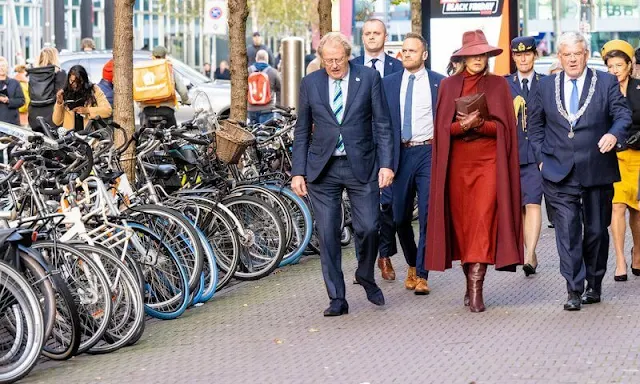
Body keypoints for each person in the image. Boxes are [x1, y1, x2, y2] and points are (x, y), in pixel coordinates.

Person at [291, 32, 394, 316]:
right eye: (328, 61)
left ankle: (365, 273)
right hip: (322, 169)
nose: (334, 66)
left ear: (348, 55)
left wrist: (387, 164)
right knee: (327, 234)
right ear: (321, 60)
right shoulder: (310, 83)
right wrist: (298, 171)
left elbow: (383, 124)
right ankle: (337, 298)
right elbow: (302, 130)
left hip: (361, 164)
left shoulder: (368, 79)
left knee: (369, 227)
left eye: (338, 59)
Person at [528, 32, 632, 311]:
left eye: (577, 54)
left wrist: (614, 135)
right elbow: (535, 125)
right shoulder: (546, 86)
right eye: (567, 54)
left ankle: (594, 284)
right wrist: (540, 157)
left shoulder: (606, 82)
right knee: (567, 231)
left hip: (597, 167)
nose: (572, 59)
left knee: (597, 231)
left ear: (586, 55)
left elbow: (623, 115)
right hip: (557, 171)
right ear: (559, 57)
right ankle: (573, 288)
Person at [426, 30, 523, 313]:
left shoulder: (497, 86)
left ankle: (477, 288)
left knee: (482, 222)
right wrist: (464, 126)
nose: (478, 59)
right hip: (457, 167)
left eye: (482, 54)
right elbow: (443, 130)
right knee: (464, 227)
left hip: (489, 166)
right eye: (473, 54)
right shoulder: (447, 85)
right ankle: (470, 282)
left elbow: (505, 130)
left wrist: (479, 124)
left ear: (488, 56)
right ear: (463, 57)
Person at [382, 33, 444, 294]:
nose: (406, 54)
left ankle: (422, 274)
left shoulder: (440, 83)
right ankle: (411, 261)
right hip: (400, 154)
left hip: (428, 152)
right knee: (398, 217)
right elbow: (382, 123)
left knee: (428, 215)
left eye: (412, 51)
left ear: (424, 55)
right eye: (404, 51)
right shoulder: (388, 84)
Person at [350, 18, 403, 282]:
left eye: (376, 33)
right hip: (358, 145)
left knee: (388, 204)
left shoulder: (398, 67)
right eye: (367, 33)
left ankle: (385, 253)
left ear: (385, 36)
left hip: (388, 142)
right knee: (364, 207)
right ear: (362, 38)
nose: (372, 37)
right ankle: (370, 260)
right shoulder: (351, 67)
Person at [599, 40, 640, 281]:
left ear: (629, 65)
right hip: (614, 158)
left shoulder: (639, 88)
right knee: (617, 206)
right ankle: (620, 260)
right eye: (610, 66)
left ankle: (637, 253)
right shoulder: (603, 90)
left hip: (638, 156)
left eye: (619, 65)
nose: (614, 70)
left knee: (637, 211)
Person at [506, 36, 545, 277]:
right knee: (518, 207)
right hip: (511, 154)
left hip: (538, 155)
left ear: (534, 56)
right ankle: (528, 247)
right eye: (518, 55)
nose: (523, 58)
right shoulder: (503, 84)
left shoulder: (546, 83)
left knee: (533, 202)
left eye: (528, 54)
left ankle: (529, 253)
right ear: (512, 57)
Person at [139, 46, 190, 129]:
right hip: (166, 110)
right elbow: (182, 90)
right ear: (165, 56)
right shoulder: (169, 70)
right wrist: (185, 100)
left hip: (147, 110)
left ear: (152, 56)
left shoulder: (145, 70)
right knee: (174, 136)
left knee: (145, 135)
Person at [52, 65, 111, 131]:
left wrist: (87, 110)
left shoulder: (93, 90)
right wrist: (59, 103)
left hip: (90, 136)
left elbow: (107, 110)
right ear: (68, 79)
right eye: (72, 81)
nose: (75, 85)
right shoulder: (64, 92)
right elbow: (57, 121)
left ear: (84, 80)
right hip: (71, 137)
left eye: (79, 82)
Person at [27, 47, 67, 131]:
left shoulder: (33, 74)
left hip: (34, 114)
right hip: (53, 114)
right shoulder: (59, 73)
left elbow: (30, 93)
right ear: (55, 57)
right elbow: (62, 94)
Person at [247, 50, 281, 125]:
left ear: (256, 58)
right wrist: (278, 105)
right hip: (267, 109)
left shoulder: (248, 71)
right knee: (266, 134)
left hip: (251, 109)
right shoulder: (273, 72)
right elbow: (280, 90)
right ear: (267, 59)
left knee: (252, 134)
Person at [0, 57, 25, 126]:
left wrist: (8, 101)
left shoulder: (15, 83)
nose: (1, 68)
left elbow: (22, 101)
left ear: (7, 68)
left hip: (12, 123)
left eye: (3, 66)